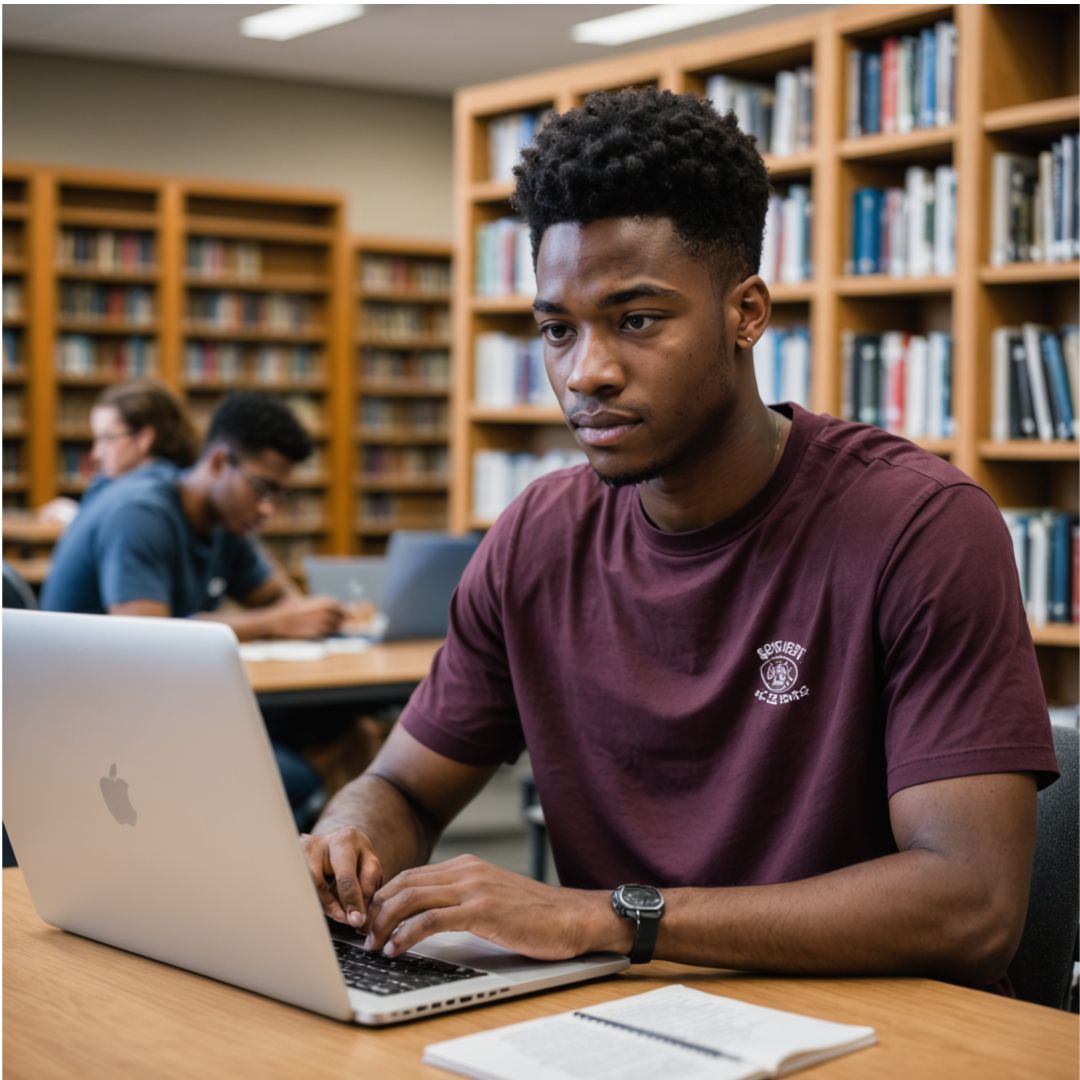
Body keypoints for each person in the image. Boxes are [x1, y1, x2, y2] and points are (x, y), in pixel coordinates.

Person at [302, 88, 1057, 994]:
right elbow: (405, 789)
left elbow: (971, 905)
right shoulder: (535, 538)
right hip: (619, 1018)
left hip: (868, 1029)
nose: (588, 372)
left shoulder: (920, 526)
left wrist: (606, 916)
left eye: (638, 319)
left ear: (746, 313)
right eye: (557, 330)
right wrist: (349, 837)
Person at [41, 391, 346, 641]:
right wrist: (270, 623)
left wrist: (318, 615)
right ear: (217, 463)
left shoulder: (227, 522)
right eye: (261, 488)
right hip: (81, 695)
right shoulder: (139, 512)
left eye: (279, 495)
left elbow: (284, 606)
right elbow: (146, 639)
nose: (268, 509)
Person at [37, 377, 198, 524]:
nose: (96, 454)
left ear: (144, 438)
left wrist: (79, 521)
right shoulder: (114, 486)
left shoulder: (145, 503)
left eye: (107, 438)